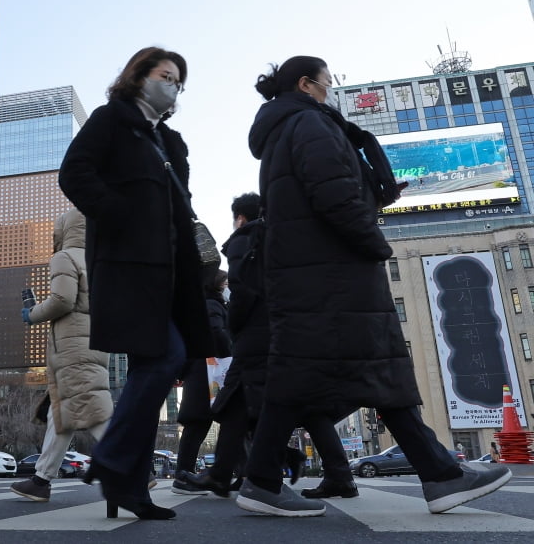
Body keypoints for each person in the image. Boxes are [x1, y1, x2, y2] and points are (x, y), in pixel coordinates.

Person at [237, 56, 511, 516]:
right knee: (378, 370)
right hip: (335, 272)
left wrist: (374, 196)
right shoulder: (309, 123)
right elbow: (333, 194)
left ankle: (264, 480)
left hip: (312, 274)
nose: (333, 90)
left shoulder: (288, 129)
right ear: (307, 84)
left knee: (335, 374)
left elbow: (328, 189)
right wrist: (374, 243)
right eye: (329, 82)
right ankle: (441, 475)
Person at [58, 47, 214, 520]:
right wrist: (117, 214)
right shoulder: (110, 120)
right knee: (164, 356)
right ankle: (112, 459)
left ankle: (128, 487)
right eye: (165, 75)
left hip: (170, 271)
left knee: (164, 366)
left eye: (178, 81)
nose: (172, 86)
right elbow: (74, 174)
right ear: (139, 76)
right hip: (128, 266)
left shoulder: (168, 141)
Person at [184, 193, 352, 500]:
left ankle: (229, 474)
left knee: (236, 400)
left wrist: (237, 328)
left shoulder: (244, 239)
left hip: (255, 336)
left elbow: (242, 291)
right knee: (304, 405)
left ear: (240, 218)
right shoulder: (288, 238)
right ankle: (338, 474)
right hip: (291, 331)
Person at [10, 208, 112, 503]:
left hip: (71, 345)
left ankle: (138, 468)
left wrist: (32, 314)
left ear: (64, 230)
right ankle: (41, 479)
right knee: (62, 412)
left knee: (93, 413)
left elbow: (62, 300)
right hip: (95, 341)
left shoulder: (64, 257)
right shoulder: (98, 261)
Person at [171, 268, 232, 494]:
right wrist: (230, 352)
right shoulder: (212, 304)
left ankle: (193, 475)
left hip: (201, 372)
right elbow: (216, 333)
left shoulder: (203, 305)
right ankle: (185, 476)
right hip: (209, 373)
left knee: (200, 425)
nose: (227, 288)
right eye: (224, 283)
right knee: (217, 422)